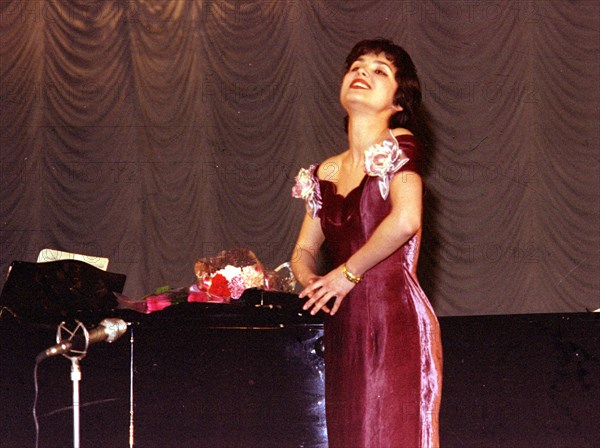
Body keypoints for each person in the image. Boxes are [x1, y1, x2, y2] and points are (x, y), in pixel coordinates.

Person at [291, 38, 443, 448]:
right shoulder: (324, 170)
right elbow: (303, 250)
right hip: (345, 321)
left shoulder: (399, 144)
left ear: (398, 103)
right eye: (357, 66)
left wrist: (343, 274)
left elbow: (407, 219)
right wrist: (311, 281)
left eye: (380, 71)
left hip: (393, 317)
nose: (362, 72)